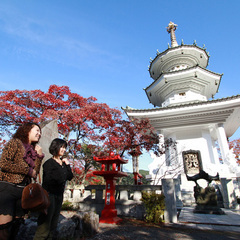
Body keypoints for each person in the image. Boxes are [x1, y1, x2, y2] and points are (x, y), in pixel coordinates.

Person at [0, 122, 44, 240]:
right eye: (37, 131)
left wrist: (39, 156)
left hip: (23, 191)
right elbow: (4, 163)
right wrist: (27, 171)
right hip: (8, 188)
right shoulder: (15, 143)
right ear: (27, 130)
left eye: (40, 132)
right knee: (4, 228)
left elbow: (35, 172)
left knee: (16, 226)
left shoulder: (34, 150)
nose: (39, 134)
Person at [34, 138, 73, 240]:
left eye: (65, 147)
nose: (63, 149)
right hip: (49, 196)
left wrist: (68, 165)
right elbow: (48, 181)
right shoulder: (49, 163)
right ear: (55, 147)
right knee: (44, 226)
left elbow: (70, 176)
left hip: (59, 196)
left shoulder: (63, 164)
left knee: (53, 225)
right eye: (62, 147)